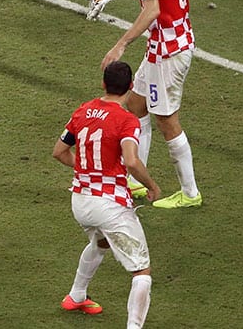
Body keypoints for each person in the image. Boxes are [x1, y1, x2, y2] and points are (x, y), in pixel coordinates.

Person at [101, 0, 203, 209]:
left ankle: (189, 193)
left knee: (167, 120)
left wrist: (121, 43)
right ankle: (133, 180)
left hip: (170, 51)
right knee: (135, 105)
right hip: (170, 42)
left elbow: (153, 9)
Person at [52, 61, 160, 328]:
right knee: (142, 270)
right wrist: (152, 186)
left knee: (102, 242)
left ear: (103, 83)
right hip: (109, 204)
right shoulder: (127, 121)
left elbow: (59, 152)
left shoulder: (83, 111)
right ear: (131, 87)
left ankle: (76, 295)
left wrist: (87, 167)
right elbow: (132, 162)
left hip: (80, 201)